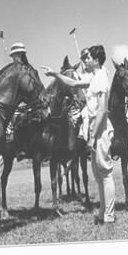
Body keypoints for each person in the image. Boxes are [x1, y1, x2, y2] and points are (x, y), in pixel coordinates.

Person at [42, 44, 116, 224]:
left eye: (87, 58)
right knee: (98, 175)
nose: (84, 60)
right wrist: (55, 75)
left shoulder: (100, 79)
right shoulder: (93, 77)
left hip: (101, 129)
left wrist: (91, 137)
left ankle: (109, 215)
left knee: (105, 173)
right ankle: (103, 211)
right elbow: (74, 83)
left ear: (96, 60)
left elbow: (102, 111)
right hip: (93, 128)